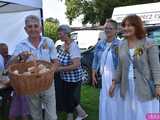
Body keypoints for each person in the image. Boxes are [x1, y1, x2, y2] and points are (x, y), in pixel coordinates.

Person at [109, 14, 160, 120]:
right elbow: (119, 66)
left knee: (145, 115)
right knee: (130, 115)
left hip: (144, 87)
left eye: (129, 25)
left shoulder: (149, 43)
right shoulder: (122, 45)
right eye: (124, 25)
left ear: (137, 27)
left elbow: (156, 67)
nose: (126, 28)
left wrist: (158, 85)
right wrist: (114, 82)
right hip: (127, 88)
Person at [9, 15, 58, 120]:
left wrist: (50, 71)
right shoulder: (21, 45)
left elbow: (55, 62)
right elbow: (9, 65)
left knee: (52, 116)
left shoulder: (48, 42)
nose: (33, 29)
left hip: (47, 82)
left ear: (40, 28)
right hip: (30, 84)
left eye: (36, 26)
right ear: (25, 29)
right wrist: (19, 57)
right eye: (30, 27)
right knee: (35, 115)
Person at [92, 19, 121, 120]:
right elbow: (95, 59)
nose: (107, 30)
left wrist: (114, 83)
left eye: (110, 28)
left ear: (116, 30)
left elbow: (120, 66)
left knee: (114, 100)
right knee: (105, 99)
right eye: (106, 28)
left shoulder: (120, 45)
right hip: (104, 77)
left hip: (115, 78)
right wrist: (93, 73)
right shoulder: (100, 44)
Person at [57, 25, 87, 120]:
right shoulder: (63, 45)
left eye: (60, 34)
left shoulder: (73, 47)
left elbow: (76, 64)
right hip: (65, 77)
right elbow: (60, 59)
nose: (59, 36)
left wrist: (59, 69)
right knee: (68, 96)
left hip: (73, 78)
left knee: (69, 97)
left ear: (66, 34)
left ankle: (73, 115)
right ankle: (80, 113)